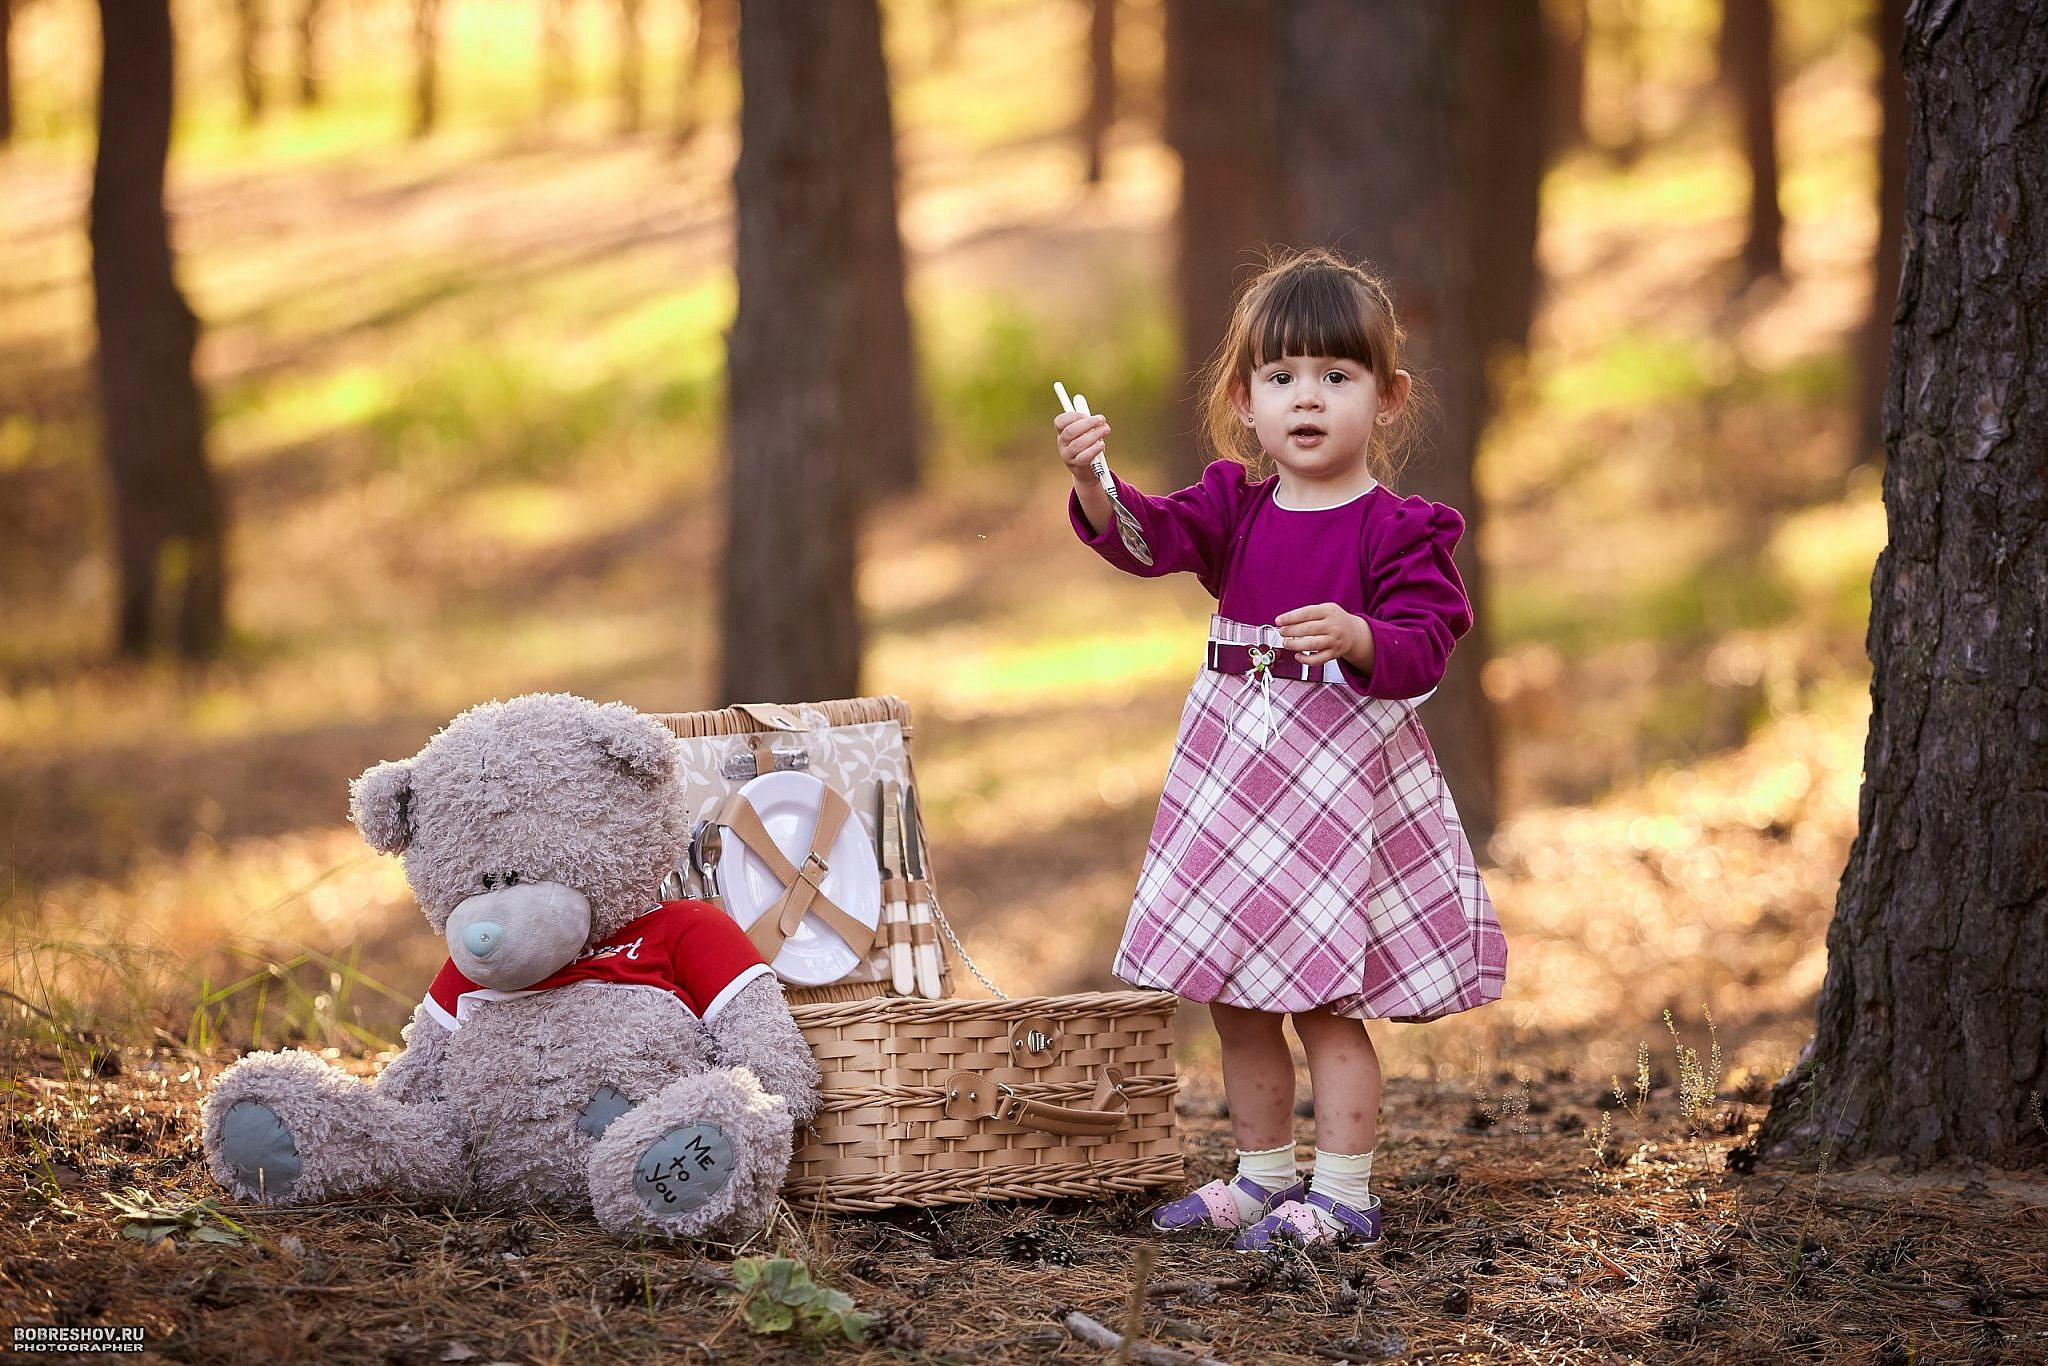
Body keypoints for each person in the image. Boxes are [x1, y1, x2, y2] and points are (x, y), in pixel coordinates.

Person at [1054, 248, 1505, 1250]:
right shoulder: (1232, 509)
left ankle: (1342, 1188)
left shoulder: (1396, 529)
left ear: (1385, 400)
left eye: (1336, 377)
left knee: (1322, 1005)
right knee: (1233, 999)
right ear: (1244, 400)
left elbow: (1428, 636)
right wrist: (1093, 479)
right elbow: (1142, 538)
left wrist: (1356, 636)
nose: (1308, 398)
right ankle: (1259, 1174)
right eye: (1282, 377)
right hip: (1231, 786)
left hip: (1331, 792)